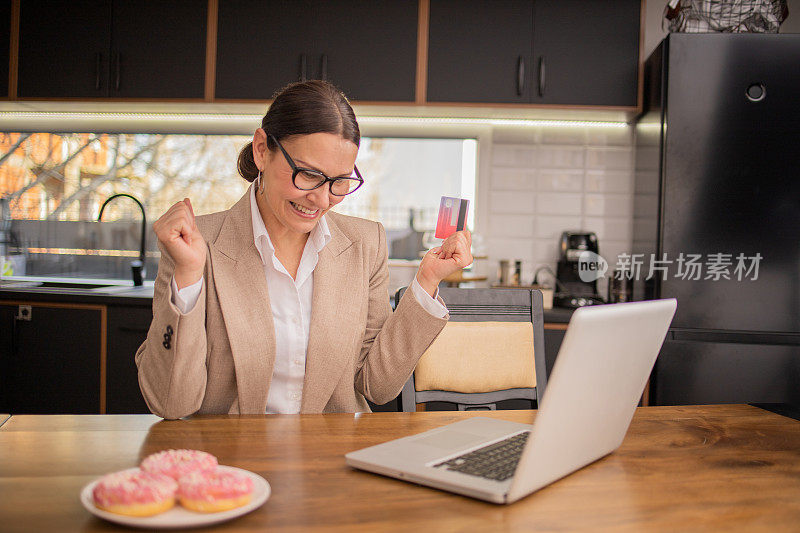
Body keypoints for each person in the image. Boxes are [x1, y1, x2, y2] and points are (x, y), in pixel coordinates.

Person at [136, 80, 472, 419]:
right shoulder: (197, 246)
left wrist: (427, 282)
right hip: (232, 462)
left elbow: (377, 385)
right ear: (261, 150)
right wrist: (189, 275)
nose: (323, 199)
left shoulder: (365, 245)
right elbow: (171, 404)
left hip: (329, 457)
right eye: (308, 174)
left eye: (340, 181)